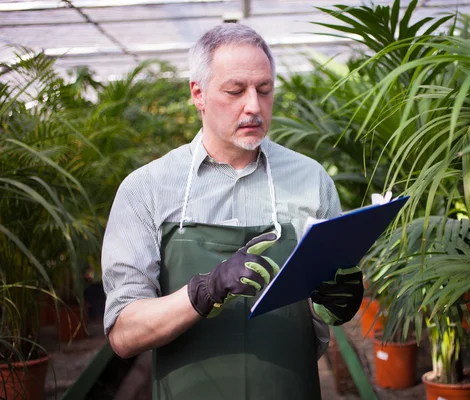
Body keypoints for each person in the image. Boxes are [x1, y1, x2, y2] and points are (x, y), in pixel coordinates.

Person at [102, 23, 364, 400]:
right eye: (235, 91)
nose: (254, 106)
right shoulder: (147, 189)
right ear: (199, 94)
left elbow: (322, 314)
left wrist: (336, 305)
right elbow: (124, 336)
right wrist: (203, 291)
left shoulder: (311, 181)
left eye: (265, 89)